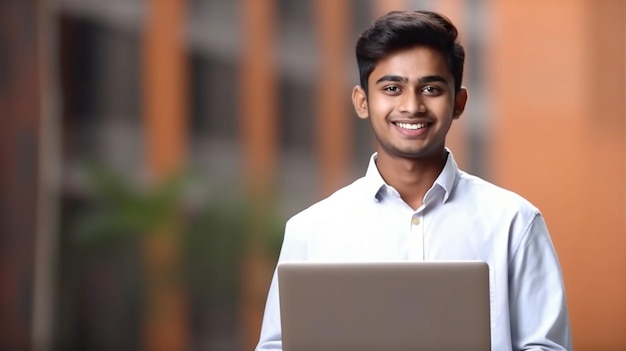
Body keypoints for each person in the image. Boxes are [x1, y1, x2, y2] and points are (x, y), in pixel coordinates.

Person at [255, 10, 572, 351]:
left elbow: (547, 346)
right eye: (392, 88)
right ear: (362, 102)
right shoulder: (311, 231)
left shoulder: (514, 223)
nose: (411, 105)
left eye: (431, 88)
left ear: (459, 102)